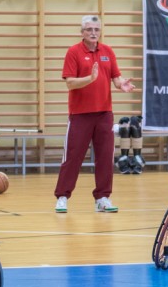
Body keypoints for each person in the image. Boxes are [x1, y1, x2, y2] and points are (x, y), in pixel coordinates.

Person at [53, 15, 135, 214]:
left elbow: (115, 77)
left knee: (105, 157)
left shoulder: (108, 51)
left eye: (96, 29)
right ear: (82, 32)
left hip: (104, 114)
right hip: (80, 114)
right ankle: (62, 197)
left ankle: (102, 198)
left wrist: (121, 84)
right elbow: (70, 83)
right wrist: (89, 79)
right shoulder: (73, 52)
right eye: (89, 29)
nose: (93, 33)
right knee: (73, 157)